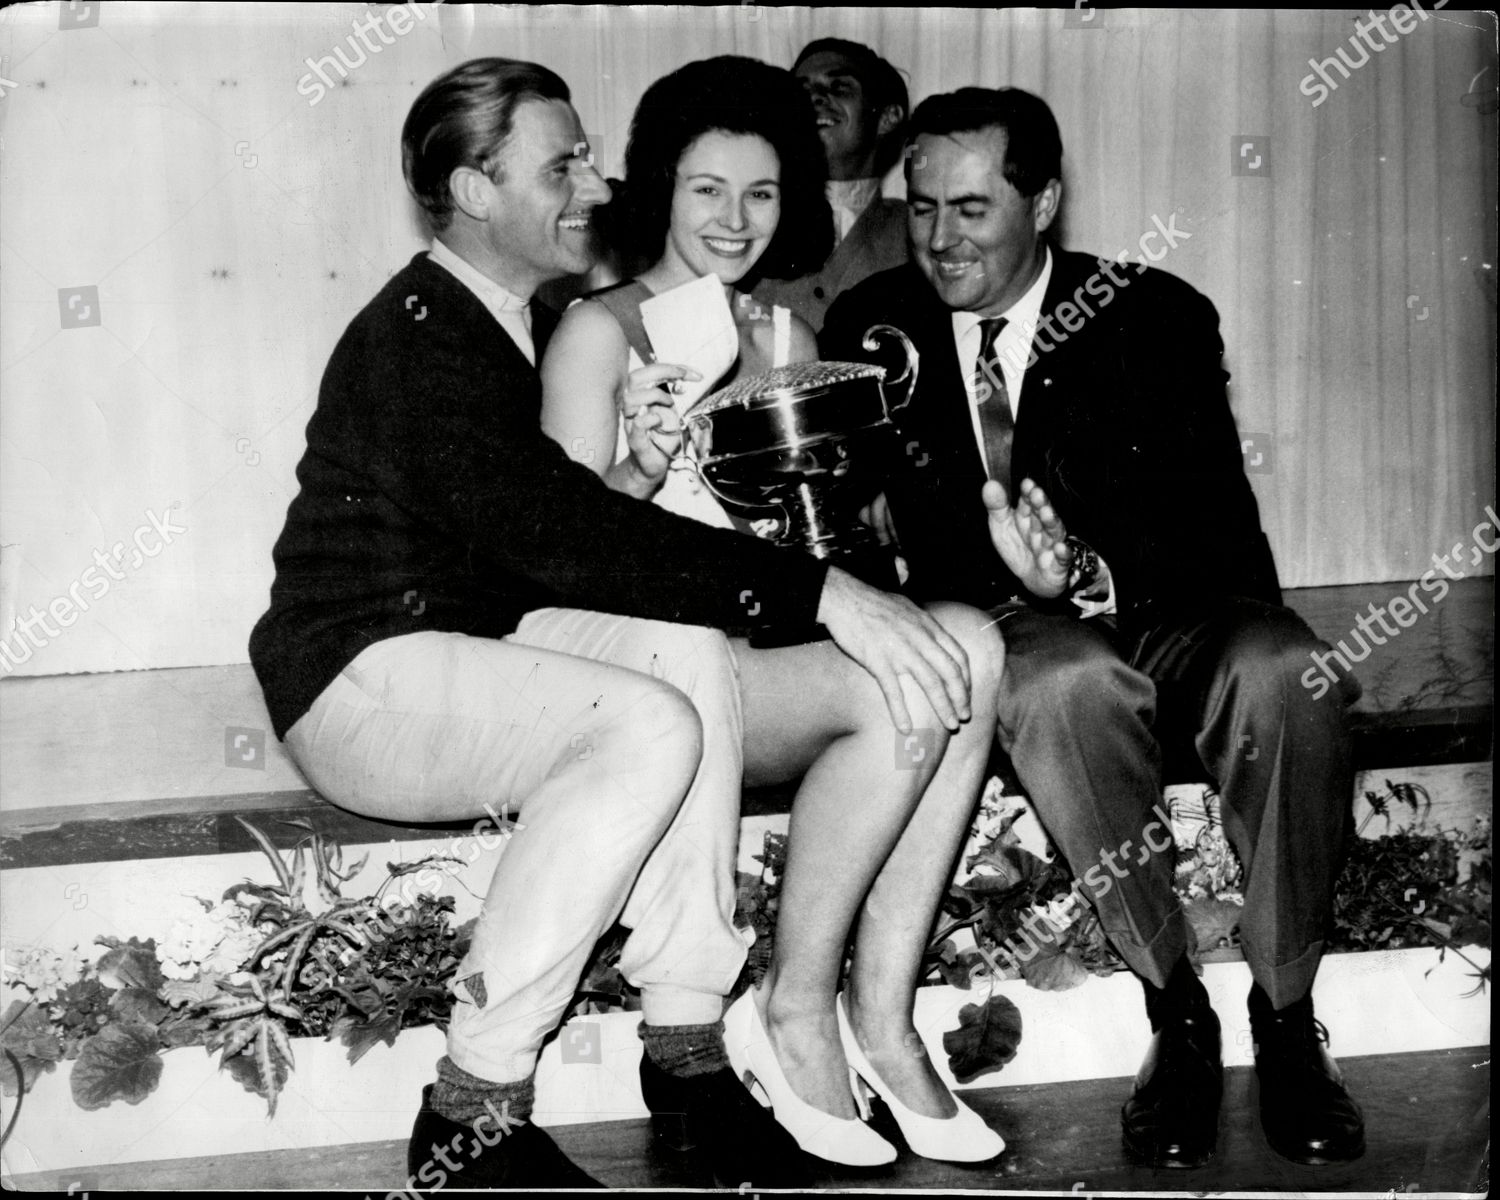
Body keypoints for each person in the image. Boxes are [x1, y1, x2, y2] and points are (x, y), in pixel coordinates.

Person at [248, 57, 1003, 1190]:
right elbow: (562, 537)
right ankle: (473, 1103)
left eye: (589, 161)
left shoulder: (519, 317)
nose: (596, 189)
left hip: (473, 649)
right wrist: (825, 594)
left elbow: (579, 539)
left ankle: (687, 1051)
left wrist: (649, 479)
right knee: (645, 722)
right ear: (474, 190)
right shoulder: (422, 335)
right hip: (361, 677)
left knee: (683, 652)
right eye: (562, 167)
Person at [820, 86, 1367, 1170]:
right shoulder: (870, 327)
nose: (940, 238)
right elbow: (854, 519)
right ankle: (1177, 1010)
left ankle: (1286, 1012)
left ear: (1044, 202)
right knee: (1061, 682)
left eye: (972, 209)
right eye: (921, 207)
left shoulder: (1154, 312)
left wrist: (1079, 569)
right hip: (1012, 633)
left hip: (1173, 607)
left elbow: (1212, 524)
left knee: (1287, 672)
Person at [539, 56, 1007, 1171]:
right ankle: (794, 1007)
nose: (735, 219)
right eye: (707, 190)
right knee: (908, 678)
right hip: (657, 680)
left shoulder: (780, 328)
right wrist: (638, 468)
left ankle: (878, 1016)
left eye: (760, 193)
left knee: (973, 648)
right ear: (660, 189)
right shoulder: (599, 331)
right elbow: (561, 556)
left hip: (765, 652)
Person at [750, 38, 911, 332]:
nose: (816, 98)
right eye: (802, 90)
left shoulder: (916, 228)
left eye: (839, 87)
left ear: (887, 118)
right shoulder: (750, 215)